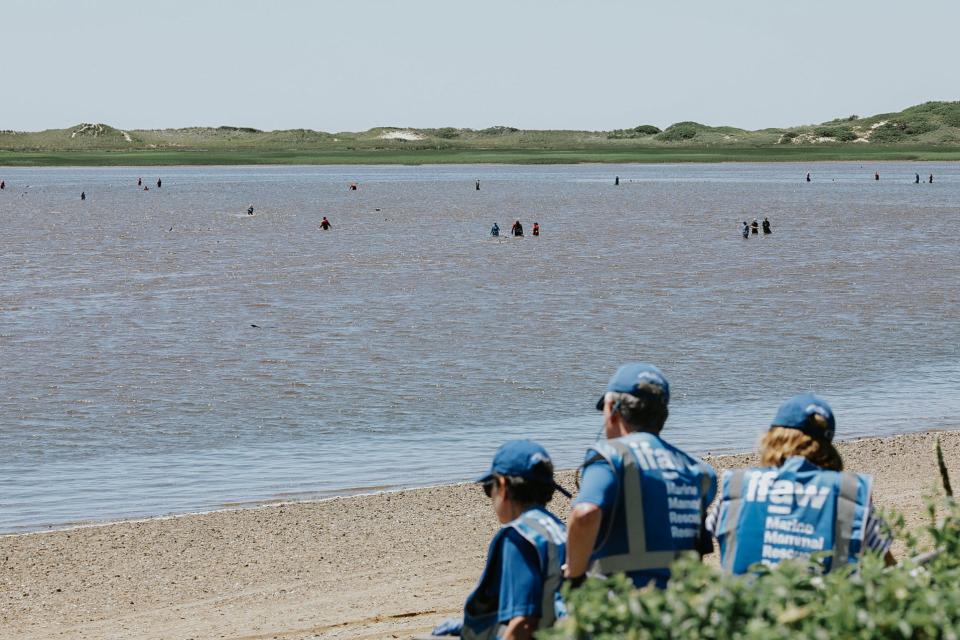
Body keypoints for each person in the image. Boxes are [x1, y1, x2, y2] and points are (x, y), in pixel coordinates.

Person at [565, 363, 717, 590]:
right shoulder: (700, 472)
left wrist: (573, 576)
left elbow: (585, 514)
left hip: (621, 599)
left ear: (612, 408)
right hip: (680, 601)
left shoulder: (609, 457)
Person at [708, 393, 893, 574]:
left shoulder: (737, 485)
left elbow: (694, 546)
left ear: (771, 437)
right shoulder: (849, 492)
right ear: (827, 445)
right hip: (825, 602)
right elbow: (888, 567)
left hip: (746, 603)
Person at [432, 440, 569, 640]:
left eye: (489, 488)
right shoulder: (558, 528)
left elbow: (523, 623)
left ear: (503, 486)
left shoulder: (518, 538)